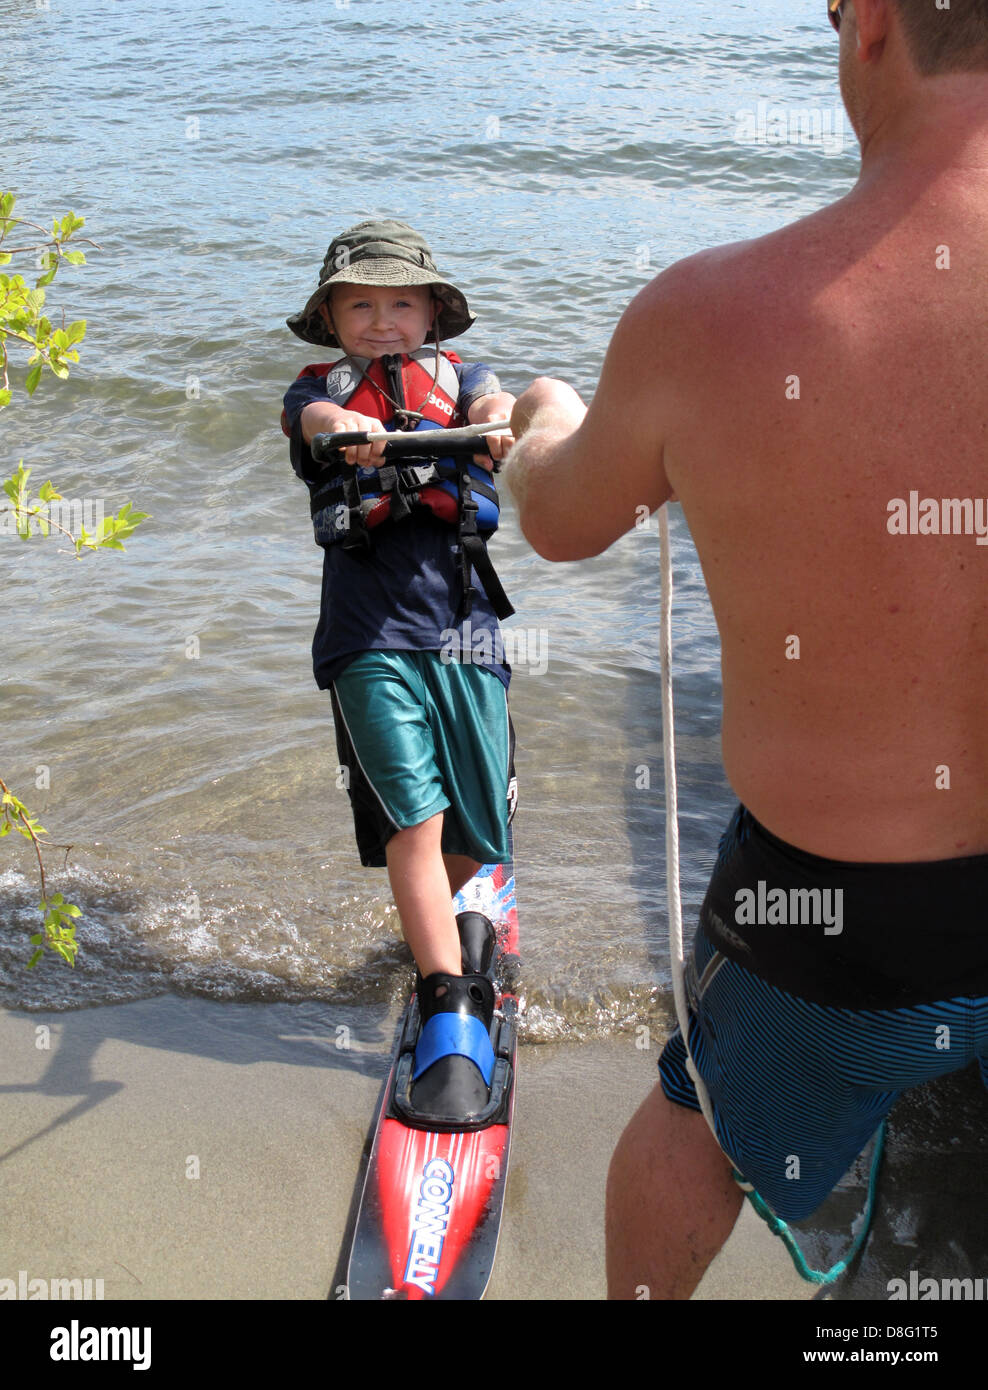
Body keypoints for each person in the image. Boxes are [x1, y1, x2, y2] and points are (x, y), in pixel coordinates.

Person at [504, 0, 988, 1297]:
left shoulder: (714, 315)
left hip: (840, 912)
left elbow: (556, 522)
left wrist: (546, 418)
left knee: (700, 1125)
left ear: (874, 21)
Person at [282, 219, 518, 1122]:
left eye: (401, 304)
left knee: (475, 823)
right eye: (362, 305)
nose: (383, 322)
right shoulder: (314, 390)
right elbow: (315, 422)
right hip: (367, 634)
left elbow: (503, 414)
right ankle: (450, 1011)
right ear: (334, 317)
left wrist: (497, 429)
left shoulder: (470, 382)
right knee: (412, 820)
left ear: (432, 312)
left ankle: (450, 924)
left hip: (463, 628)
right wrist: (347, 430)